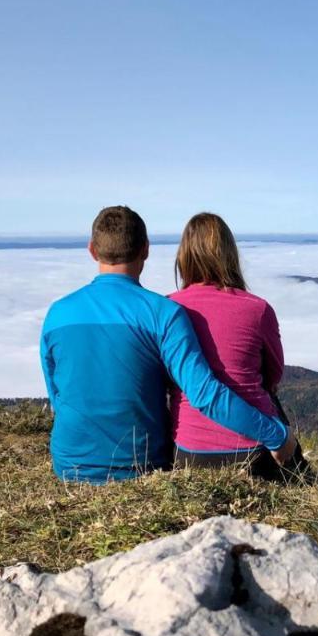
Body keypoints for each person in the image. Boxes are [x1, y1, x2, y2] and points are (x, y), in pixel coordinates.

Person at [40, 205, 297, 483]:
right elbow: (203, 393)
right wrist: (276, 434)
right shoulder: (162, 313)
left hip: (67, 466)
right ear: (146, 250)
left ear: (92, 250)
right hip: (139, 466)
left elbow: (57, 396)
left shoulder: (56, 314)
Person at [168, 212, 299, 479]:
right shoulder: (258, 309)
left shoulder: (166, 308)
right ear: (230, 255)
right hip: (256, 451)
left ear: (183, 257)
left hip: (187, 451)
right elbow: (273, 375)